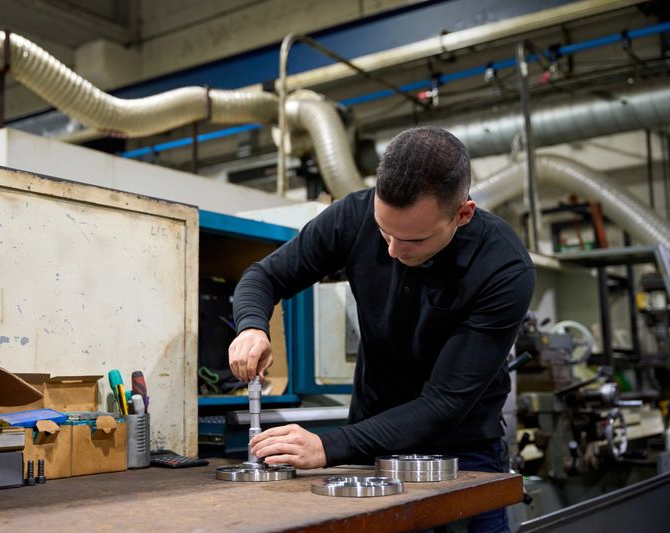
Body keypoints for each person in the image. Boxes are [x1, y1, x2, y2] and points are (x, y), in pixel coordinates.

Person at [229, 126, 535, 532]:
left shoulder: (503, 267)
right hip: (371, 437)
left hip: (463, 445)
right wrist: (252, 327)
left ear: (462, 214)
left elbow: (443, 403)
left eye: (412, 240)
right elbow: (263, 277)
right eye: (384, 230)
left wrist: (328, 445)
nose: (391, 250)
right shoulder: (354, 216)